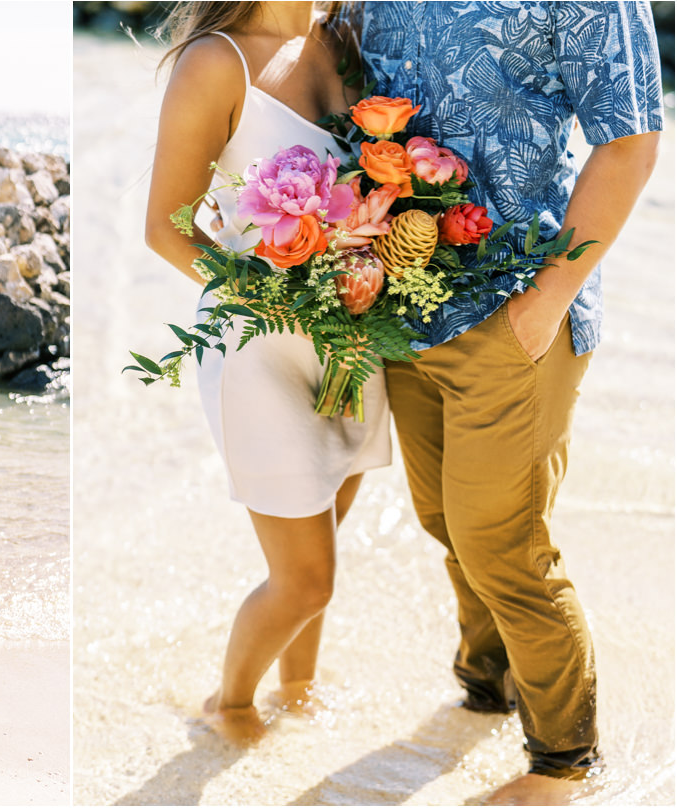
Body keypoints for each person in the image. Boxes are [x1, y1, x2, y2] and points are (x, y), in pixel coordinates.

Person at [360, 2, 662, 803]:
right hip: (403, 308)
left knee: (503, 544)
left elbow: (629, 144)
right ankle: (484, 691)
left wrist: (547, 301)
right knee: (445, 524)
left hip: (518, 309)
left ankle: (565, 762)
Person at [144, 1, 390, 744]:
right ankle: (231, 708)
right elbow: (166, 224)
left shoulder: (342, 39)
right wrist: (279, 293)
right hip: (261, 345)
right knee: (305, 576)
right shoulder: (216, 61)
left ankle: (298, 692)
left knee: (324, 546)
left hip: (350, 339)